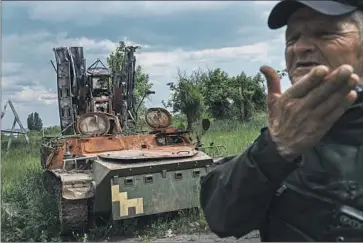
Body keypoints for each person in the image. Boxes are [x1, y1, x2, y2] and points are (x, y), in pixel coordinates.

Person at [199, 0, 363, 242]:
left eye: (325, 33)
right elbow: (222, 218)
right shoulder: (278, 141)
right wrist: (275, 148)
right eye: (292, 38)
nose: (301, 47)